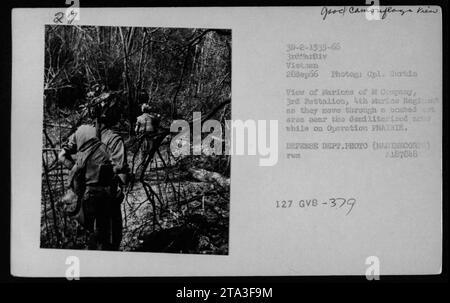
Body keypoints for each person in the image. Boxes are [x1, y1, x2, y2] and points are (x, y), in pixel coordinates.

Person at [59, 94, 129, 250]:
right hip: (105, 200)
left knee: (88, 237)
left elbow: (61, 156)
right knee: (109, 241)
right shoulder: (114, 139)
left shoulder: (81, 131)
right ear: (111, 114)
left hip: (82, 195)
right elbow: (123, 178)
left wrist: (77, 168)